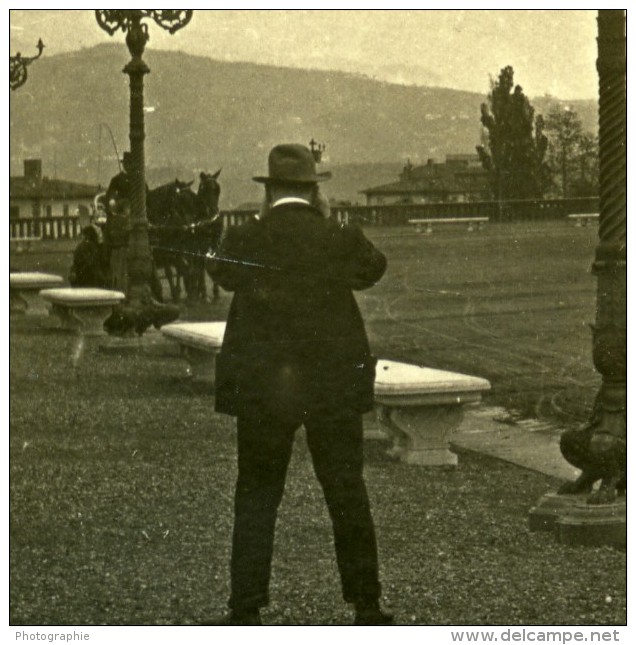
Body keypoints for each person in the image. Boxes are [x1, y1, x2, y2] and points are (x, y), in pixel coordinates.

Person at [207, 143, 392, 626]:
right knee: (346, 491)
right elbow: (374, 268)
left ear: (269, 193)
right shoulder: (337, 236)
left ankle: (245, 609)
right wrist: (332, 225)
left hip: (264, 387)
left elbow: (219, 270)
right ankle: (366, 606)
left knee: (256, 494)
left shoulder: (247, 236)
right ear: (315, 191)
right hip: (332, 385)